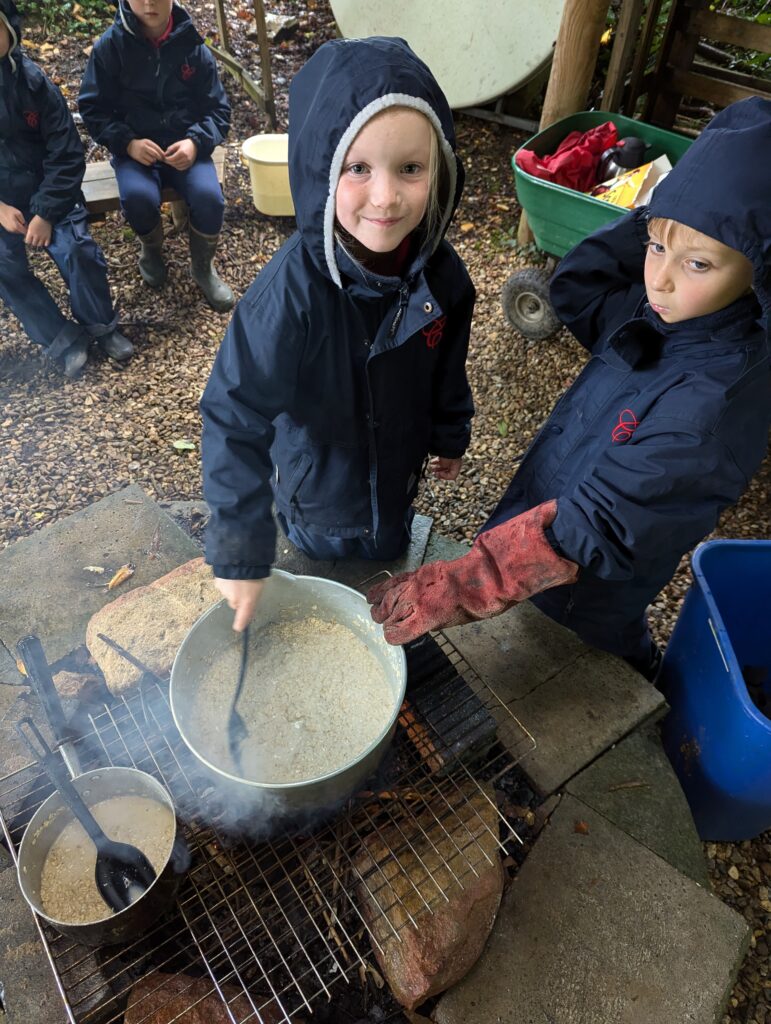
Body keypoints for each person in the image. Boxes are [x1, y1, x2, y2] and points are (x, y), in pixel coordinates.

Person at [368, 96, 771, 681]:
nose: (659, 276)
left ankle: (639, 675)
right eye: (656, 248)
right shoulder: (665, 307)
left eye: (698, 264)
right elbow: (577, 289)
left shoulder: (713, 407)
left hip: (588, 581)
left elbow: (600, 524)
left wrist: (469, 580)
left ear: (761, 271)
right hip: (537, 524)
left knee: (587, 656)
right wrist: (669, 217)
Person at [200, 36, 475, 631]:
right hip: (315, 487)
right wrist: (241, 548)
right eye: (358, 169)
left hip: (397, 474)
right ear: (321, 171)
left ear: (440, 169)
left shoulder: (444, 276)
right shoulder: (291, 293)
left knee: (385, 552)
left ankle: (380, 553)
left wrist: (450, 434)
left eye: (410, 169)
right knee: (319, 575)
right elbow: (233, 412)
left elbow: (450, 364)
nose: (386, 198)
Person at [0, 0, 133, 378]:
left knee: (76, 249)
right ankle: (61, 339)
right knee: (3, 264)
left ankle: (102, 327)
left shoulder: (35, 84)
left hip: (52, 196)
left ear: (11, 32)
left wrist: (45, 213)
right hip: (3, 204)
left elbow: (67, 154)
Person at [78, 0, 234, 312]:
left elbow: (218, 110)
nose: (149, 2)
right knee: (137, 196)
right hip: (135, 151)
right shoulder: (110, 48)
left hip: (186, 148)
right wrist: (128, 143)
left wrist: (195, 142)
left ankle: (202, 267)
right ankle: (151, 249)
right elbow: (93, 110)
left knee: (209, 197)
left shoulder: (191, 44)